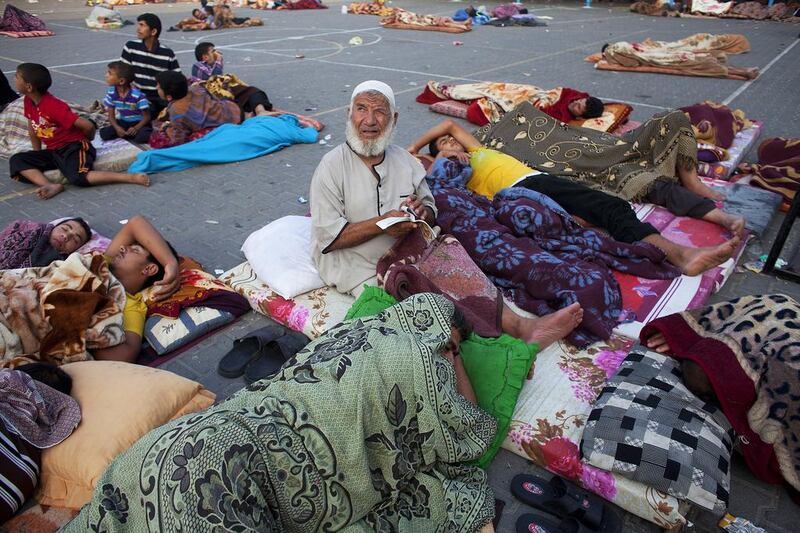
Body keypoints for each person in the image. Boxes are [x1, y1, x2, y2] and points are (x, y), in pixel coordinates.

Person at [61, 294, 498, 533]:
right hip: (223, 457)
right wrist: (453, 354)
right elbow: (470, 429)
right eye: (451, 342)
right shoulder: (408, 354)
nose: (448, 355)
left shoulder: (350, 332)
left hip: (188, 440)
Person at [310, 80, 582, 348]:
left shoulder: (405, 161)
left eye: (379, 111)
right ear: (350, 113)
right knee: (427, 307)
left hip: (409, 246)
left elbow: (430, 210)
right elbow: (329, 237)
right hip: (358, 265)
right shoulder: (332, 166)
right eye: (361, 109)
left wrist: (421, 212)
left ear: (393, 118)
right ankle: (493, 351)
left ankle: (523, 327)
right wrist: (382, 225)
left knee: (454, 260)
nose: (369, 120)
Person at [408, 119, 742, 276]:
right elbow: (428, 177)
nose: (452, 147)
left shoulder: (479, 149)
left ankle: (676, 254)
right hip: (522, 193)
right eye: (445, 148)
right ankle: (681, 255)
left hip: (539, 180)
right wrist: (437, 158)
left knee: (610, 208)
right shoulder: (450, 167)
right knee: (599, 216)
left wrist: (425, 143)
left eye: (452, 145)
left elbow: (449, 125)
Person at [8, 63, 150, 200]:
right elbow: (33, 128)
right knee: (17, 160)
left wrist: (85, 141)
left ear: (29, 86)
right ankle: (50, 185)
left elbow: (87, 126)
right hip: (54, 151)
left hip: (73, 147)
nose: (14, 79)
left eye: (17, 77)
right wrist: (37, 153)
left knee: (78, 177)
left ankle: (129, 177)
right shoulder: (28, 100)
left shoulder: (53, 106)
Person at [92, 215, 179, 363]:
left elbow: (120, 357)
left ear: (149, 269)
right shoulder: (103, 263)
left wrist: (84, 321)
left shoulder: (131, 306)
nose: (122, 247)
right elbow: (135, 223)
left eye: (135, 250)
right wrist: (170, 263)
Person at [151, 70, 240, 147]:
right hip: (234, 110)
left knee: (158, 138)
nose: (156, 88)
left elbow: (179, 139)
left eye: (159, 87)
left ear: (169, 97)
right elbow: (215, 99)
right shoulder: (196, 88)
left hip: (221, 126)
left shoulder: (176, 111)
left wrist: (167, 129)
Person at [121, 13, 180, 118]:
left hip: (161, 96)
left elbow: (177, 79)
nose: (138, 29)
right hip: (138, 95)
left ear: (153, 31)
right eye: (138, 25)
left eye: (142, 25)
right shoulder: (130, 47)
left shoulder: (167, 53)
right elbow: (122, 74)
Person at [0, 217, 90, 270]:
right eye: (64, 229)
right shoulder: (25, 228)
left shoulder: (61, 266)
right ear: (54, 227)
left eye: (75, 239)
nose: (66, 236)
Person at [100, 61, 152, 144]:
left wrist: (136, 128)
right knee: (104, 134)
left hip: (139, 123)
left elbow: (147, 117)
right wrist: (117, 128)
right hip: (123, 122)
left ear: (121, 81)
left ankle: (130, 133)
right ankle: (127, 133)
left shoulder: (138, 96)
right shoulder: (111, 93)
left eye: (109, 73)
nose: (106, 75)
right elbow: (111, 116)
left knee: (142, 137)